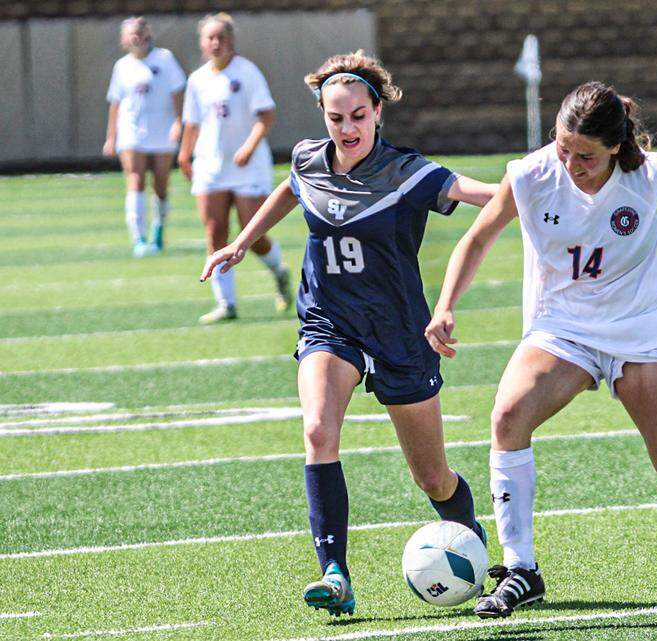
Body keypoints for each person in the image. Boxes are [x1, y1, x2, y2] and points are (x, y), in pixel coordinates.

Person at [425, 81, 657, 618]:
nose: (570, 163)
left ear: (616, 149)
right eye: (563, 148)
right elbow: (477, 238)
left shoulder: (648, 176)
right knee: (508, 416)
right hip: (563, 330)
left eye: (585, 156)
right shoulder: (531, 175)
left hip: (639, 329)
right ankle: (520, 570)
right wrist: (445, 306)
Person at [200, 50, 497, 617]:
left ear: (378, 111)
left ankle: (468, 536)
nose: (348, 128)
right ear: (323, 117)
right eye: (337, 118)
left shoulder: (407, 171)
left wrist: (540, 194)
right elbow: (292, 187)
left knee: (431, 476)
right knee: (317, 431)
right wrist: (243, 241)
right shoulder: (311, 159)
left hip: (399, 330)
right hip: (328, 321)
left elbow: (478, 193)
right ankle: (334, 573)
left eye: (358, 116)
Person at [180, 12, 291, 324]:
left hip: (248, 167)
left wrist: (248, 147)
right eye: (210, 38)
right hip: (211, 166)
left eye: (221, 37)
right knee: (215, 233)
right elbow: (192, 122)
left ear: (231, 41)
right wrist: (184, 155)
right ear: (202, 43)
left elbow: (266, 116)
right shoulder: (197, 80)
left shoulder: (247, 72)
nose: (216, 43)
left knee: (251, 234)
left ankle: (279, 273)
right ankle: (226, 303)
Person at [103, 17, 185, 257]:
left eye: (140, 32)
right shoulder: (122, 66)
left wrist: (179, 122)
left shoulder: (164, 59)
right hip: (131, 131)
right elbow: (115, 103)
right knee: (136, 180)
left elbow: (178, 90)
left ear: (148, 34)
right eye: (131, 34)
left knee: (160, 184)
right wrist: (111, 136)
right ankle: (138, 238)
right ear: (124, 39)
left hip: (161, 130)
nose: (136, 37)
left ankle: (158, 231)